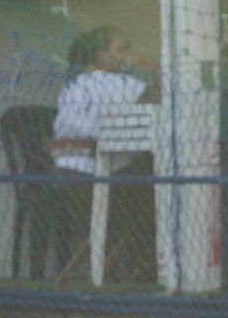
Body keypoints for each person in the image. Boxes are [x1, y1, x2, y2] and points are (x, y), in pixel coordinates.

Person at [51, 26, 158, 281]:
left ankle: (135, 264)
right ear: (100, 56)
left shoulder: (72, 86)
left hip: (66, 180)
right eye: (123, 49)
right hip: (103, 184)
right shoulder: (118, 83)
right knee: (164, 171)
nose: (129, 55)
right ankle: (149, 266)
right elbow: (160, 100)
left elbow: (64, 142)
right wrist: (152, 67)